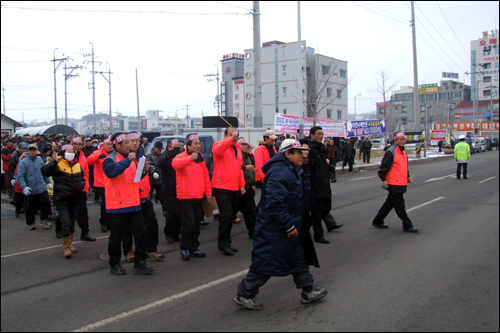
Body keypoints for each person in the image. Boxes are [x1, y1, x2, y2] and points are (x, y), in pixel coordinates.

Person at [234, 140, 327, 310]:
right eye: (299, 152)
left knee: (299, 257)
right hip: (276, 228)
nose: (303, 155)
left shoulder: (290, 169)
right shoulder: (280, 172)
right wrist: (288, 226)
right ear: (287, 154)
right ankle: (245, 293)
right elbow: (275, 204)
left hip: (289, 225)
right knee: (267, 262)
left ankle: (308, 289)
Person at [102, 132, 155, 275]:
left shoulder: (132, 159)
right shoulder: (110, 159)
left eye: (129, 143)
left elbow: (134, 179)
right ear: (117, 145)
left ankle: (140, 261)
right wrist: (128, 161)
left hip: (134, 204)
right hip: (118, 206)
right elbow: (112, 172)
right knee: (116, 237)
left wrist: (144, 172)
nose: (129, 145)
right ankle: (114, 264)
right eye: (125, 143)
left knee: (141, 233)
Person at [123, 131, 165, 262]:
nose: (135, 143)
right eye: (132, 141)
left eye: (137, 140)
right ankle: (129, 251)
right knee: (130, 228)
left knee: (152, 223)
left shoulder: (142, 154)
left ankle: (151, 249)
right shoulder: (124, 158)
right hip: (130, 197)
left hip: (144, 195)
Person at [172, 134, 212, 261]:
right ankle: (184, 247)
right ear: (188, 146)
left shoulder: (201, 159)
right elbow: (175, 165)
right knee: (189, 223)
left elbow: (205, 176)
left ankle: (194, 247)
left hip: (199, 196)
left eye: (199, 143)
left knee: (196, 224)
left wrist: (208, 192)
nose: (198, 146)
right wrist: (190, 159)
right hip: (185, 197)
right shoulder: (181, 157)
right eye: (195, 143)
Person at [42, 144, 85, 258]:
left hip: (74, 199)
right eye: (68, 151)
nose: (71, 153)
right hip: (62, 199)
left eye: (72, 151)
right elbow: (45, 171)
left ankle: (70, 244)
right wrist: (55, 162)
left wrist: (81, 186)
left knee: (71, 223)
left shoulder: (77, 165)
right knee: (65, 223)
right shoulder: (58, 164)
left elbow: (82, 178)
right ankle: (66, 247)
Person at [372, 132, 418, 233]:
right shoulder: (391, 151)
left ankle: (378, 220)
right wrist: (383, 180)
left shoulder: (403, 152)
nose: (403, 141)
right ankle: (407, 225)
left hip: (400, 182)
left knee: (390, 203)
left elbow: (403, 166)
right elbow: (383, 168)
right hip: (394, 183)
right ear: (395, 140)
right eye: (401, 139)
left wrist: (408, 176)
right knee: (400, 205)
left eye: (404, 139)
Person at [211, 127, 246, 256]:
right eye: (230, 134)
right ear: (225, 135)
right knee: (226, 216)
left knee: (230, 216)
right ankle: (223, 244)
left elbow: (239, 168)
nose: (233, 137)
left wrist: (242, 184)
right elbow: (218, 150)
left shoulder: (237, 149)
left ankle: (227, 242)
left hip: (234, 188)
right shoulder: (219, 145)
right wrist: (231, 139)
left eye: (235, 135)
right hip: (221, 187)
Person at [308, 127, 343, 245]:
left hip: (325, 184)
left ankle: (307, 223)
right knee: (317, 212)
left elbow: (320, 164)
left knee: (326, 208)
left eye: (322, 133)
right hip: (316, 185)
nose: (321, 136)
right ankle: (318, 235)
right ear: (312, 135)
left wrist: (328, 168)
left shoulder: (322, 148)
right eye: (318, 134)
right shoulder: (310, 149)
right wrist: (312, 148)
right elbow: (311, 163)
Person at [16, 143, 53, 230]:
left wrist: (48, 182)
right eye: (30, 150)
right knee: (30, 208)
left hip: (42, 187)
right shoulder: (23, 162)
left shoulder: (40, 160)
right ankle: (31, 222)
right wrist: (24, 187)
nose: (32, 152)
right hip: (30, 189)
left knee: (46, 204)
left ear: (36, 151)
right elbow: (20, 176)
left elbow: (44, 172)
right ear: (28, 151)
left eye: (34, 150)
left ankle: (43, 220)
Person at [72, 137, 96, 241]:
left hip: (81, 189)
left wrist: (86, 188)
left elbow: (86, 173)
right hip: (68, 190)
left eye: (81, 144)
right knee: (68, 214)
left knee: (83, 212)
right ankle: (64, 233)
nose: (80, 146)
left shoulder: (83, 157)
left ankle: (85, 232)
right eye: (77, 144)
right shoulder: (66, 156)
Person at [158, 139, 182, 243]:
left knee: (179, 213)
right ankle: (168, 232)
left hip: (179, 189)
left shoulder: (180, 156)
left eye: (178, 146)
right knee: (172, 212)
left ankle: (176, 233)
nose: (176, 147)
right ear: (169, 146)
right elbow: (160, 163)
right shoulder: (165, 156)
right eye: (174, 146)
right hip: (168, 189)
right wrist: (169, 154)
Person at [87, 138, 113, 232]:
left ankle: (110, 222)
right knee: (105, 203)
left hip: (112, 182)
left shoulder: (112, 153)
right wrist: (98, 157)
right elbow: (89, 161)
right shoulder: (98, 152)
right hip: (102, 183)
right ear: (103, 145)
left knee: (111, 203)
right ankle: (103, 222)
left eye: (111, 144)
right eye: (108, 144)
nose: (110, 146)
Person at [237, 139, 256, 239]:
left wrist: (253, 183)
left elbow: (252, 170)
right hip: (238, 188)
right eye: (242, 144)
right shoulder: (235, 156)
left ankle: (253, 231)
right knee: (230, 213)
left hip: (248, 187)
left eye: (246, 144)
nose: (245, 146)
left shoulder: (248, 156)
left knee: (250, 211)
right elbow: (235, 168)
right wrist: (244, 167)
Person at [146, 141, 163, 205]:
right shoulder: (149, 156)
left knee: (161, 196)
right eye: (159, 149)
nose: (160, 151)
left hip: (159, 180)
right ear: (155, 148)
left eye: (161, 149)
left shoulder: (161, 156)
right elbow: (149, 165)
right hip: (151, 180)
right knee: (149, 196)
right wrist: (153, 172)